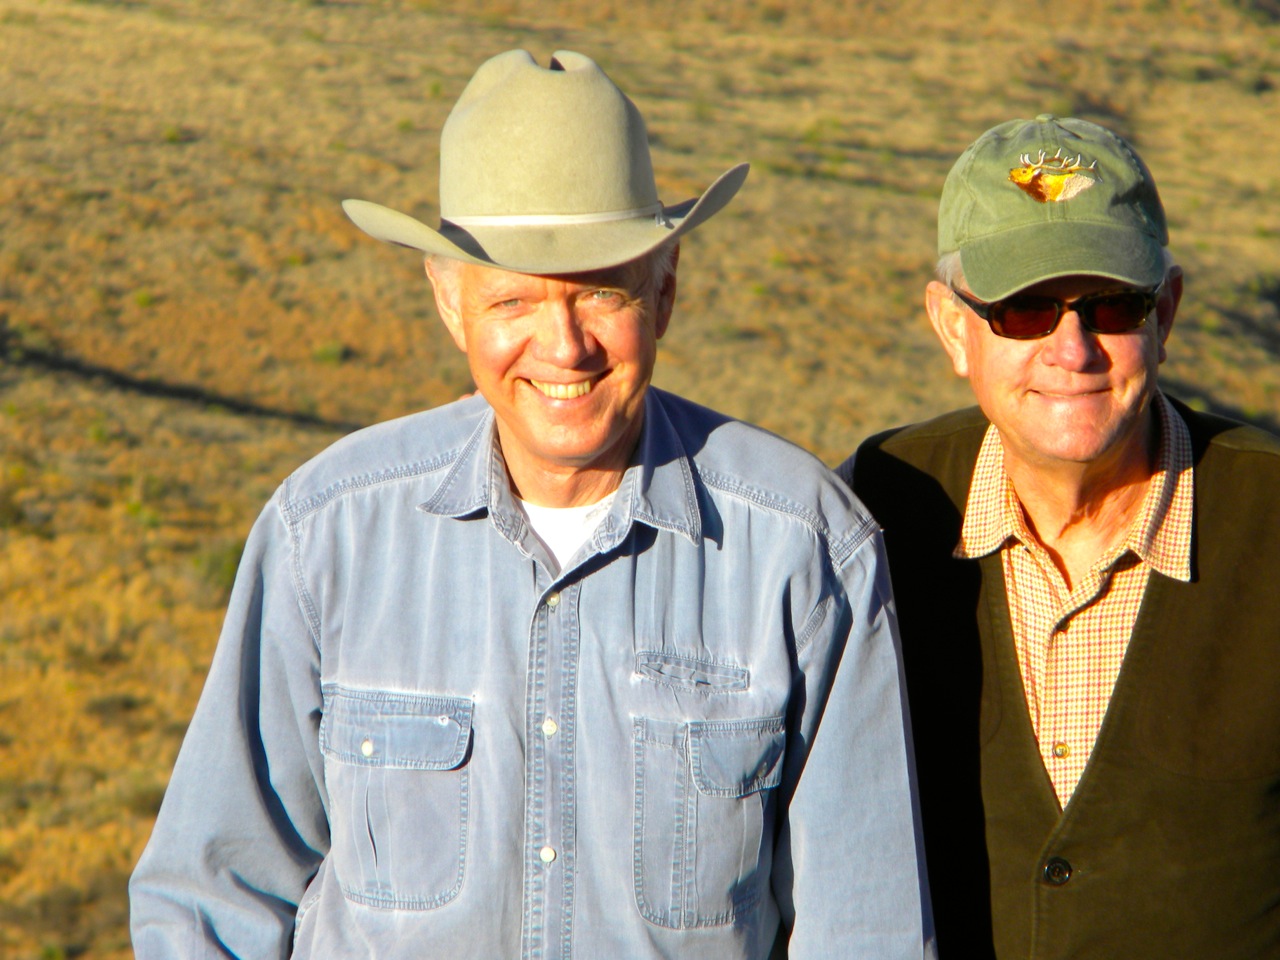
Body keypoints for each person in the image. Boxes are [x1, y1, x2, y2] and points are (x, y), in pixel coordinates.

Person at [129, 49, 932, 959]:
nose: (563, 346)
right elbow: (210, 900)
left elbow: (867, 929)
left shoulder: (805, 548)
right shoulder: (326, 534)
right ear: (450, 304)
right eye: (512, 299)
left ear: (666, 290)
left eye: (601, 291)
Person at [844, 113, 1280, 959]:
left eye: (1112, 305)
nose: (1072, 349)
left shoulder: (1268, 517)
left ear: (1167, 313)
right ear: (952, 327)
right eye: (1024, 311)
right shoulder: (872, 512)